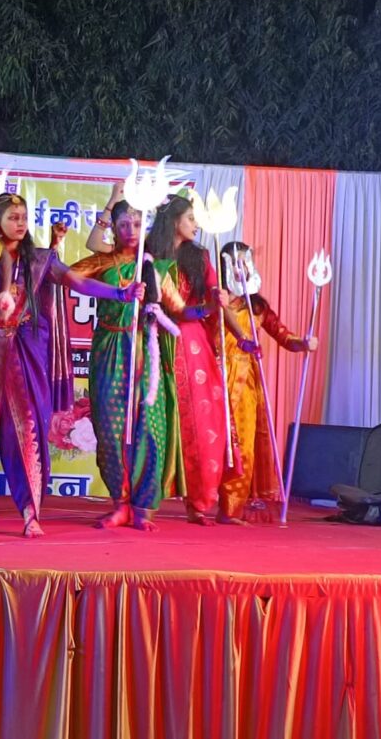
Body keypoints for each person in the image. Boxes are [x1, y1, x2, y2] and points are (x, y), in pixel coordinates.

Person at [0, 193, 146, 537]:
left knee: (26, 434)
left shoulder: (39, 260)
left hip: (22, 360)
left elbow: (77, 281)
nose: (20, 223)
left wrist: (120, 294)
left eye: (23, 217)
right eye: (13, 217)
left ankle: (30, 514)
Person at [71, 199, 183, 531]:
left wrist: (209, 307)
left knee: (149, 428)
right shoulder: (103, 261)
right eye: (123, 224)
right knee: (110, 429)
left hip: (145, 353)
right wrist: (116, 292)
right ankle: (119, 504)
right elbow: (70, 278)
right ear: (114, 228)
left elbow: (180, 309)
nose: (130, 230)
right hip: (109, 350)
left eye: (136, 223)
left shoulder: (154, 267)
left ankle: (144, 507)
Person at [147, 194, 231, 526]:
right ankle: (144, 501)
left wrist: (218, 302)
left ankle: (199, 502)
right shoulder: (148, 254)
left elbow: (210, 299)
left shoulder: (200, 257)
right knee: (156, 423)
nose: (196, 225)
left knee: (201, 422)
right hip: (154, 341)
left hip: (192, 345)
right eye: (191, 218)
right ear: (173, 221)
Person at [219, 241, 318, 524]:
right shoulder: (214, 298)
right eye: (236, 263)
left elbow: (283, 335)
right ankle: (198, 504)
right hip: (214, 375)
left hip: (245, 382)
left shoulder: (258, 307)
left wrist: (303, 343)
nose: (241, 269)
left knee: (243, 445)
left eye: (245, 262)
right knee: (213, 444)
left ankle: (230, 509)